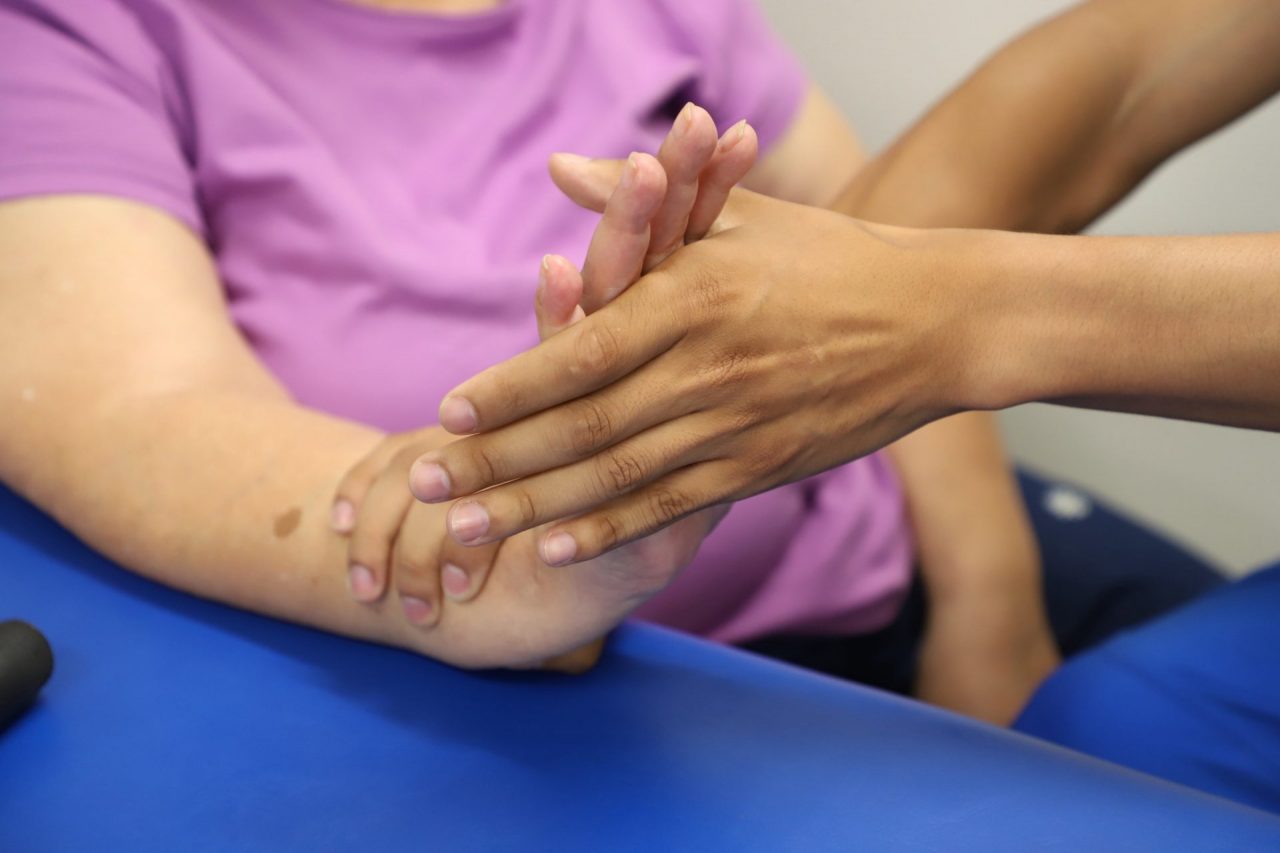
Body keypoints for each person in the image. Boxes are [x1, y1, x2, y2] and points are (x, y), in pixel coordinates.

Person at [1, 0, 1083, 723]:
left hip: (856, 616)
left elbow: (889, 269)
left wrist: (990, 607)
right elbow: (132, 405)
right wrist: (505, 557)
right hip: (470, 701)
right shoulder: (70, 32)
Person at [419, 0, 1280, 811]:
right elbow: (1128, 82)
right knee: (1120, 734)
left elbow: (904, 298)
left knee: (1118, 744)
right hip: (618, 631)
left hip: (863, 570)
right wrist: (719, 330)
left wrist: (949, 318)